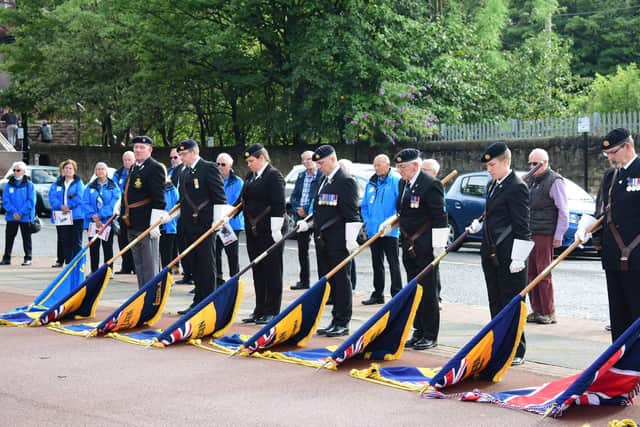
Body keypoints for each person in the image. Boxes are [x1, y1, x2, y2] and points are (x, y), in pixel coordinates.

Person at [467, 142, 532, 366]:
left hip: (509, 255)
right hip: (491, 252)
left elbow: (522, 225)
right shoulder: (493, 184)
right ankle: (499, 342)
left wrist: (519, 257)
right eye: (487, 166)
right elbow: (494, 214)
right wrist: (479, 224)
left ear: (505, 162)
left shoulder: (517, 186)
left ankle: (517, 349)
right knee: (495, 301)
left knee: (512, 302)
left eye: (492, 164)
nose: (489, 169)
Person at [379, 149, 447, 351]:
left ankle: (430, 334)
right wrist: (391, 224)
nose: (400, 171)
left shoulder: (431, 184)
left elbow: (439, 217)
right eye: (398, 167)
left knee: (428, 291)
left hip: (425, 245)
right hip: (408, 244)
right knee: (413, 290)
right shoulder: (404, 183)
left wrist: (439, 246)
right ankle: (418, 330)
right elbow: (403, 212)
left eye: (403, 167)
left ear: (415, 166)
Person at [576, 128, 640, 342]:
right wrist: (590, 228)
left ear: (628, 146)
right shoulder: (611, 176)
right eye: (607, 154)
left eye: (613, 152)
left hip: (637, 256)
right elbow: (604, 211)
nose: (610, 158)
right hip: (613, 256)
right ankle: (620, 365)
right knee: (618, 315)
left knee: (636, 313)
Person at [298, 145, 361, 337]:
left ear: (333, 159)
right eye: (317, 163)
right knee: (330, 282)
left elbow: (352, 214)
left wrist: (351, 240)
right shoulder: (324, 180)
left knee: (342, 282)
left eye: (322, 163)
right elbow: (320, 210)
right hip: (323, 240)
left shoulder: (346, 181)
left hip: (338, 242)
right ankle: (335, 319)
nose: (319, 167)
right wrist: (308, 223)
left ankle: (343, 321)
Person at [174, 139, 227, 313]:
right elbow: (182, 200)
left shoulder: (208, 168)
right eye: (180, 154)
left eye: (184, 154)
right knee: (193, 263)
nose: (182, 157)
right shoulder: (184, 172)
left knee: (206, 264)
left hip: (205, 224)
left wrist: (216, 222)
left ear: (194, 152)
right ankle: (198, 300)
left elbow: (219, 197)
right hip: (189, 224)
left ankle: (209, 302)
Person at [240, 143, 286, 325]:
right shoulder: (250, 176)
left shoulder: (273, 176)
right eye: (247, 161)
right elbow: (243, 199)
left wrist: (277, 228)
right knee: (257, 270)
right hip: (253, 230)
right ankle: (259, 309)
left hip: (269, 229)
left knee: (272, 270)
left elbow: (279, 204)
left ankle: (272, 310)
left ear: (262, 158)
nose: (249, 164)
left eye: (251, 160)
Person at [525, 148, 569, 325]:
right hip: (530, 231)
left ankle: (549, 311)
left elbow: (563, 211)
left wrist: (558, 235)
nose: (533, 167)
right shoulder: (531, 181)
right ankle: (537, 310)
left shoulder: (555, 181)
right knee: (530, 273)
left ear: (546, 163)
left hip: (545, 233)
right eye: (531, 163)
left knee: (543, 273)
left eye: (537, 164)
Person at [120, 135, 167, 289]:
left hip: (146, 223)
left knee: (149, 265)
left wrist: (154, 223)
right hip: (132, 221)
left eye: (142, 147)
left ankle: (152, 294)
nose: (138, 150)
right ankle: (142, 293)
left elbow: (159, 198)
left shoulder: (155, 168)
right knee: (139, 264)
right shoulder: (134, 167)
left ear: (150, 150)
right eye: (136, 148)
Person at [361, 154, 402, 305]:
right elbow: (364, 205)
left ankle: (396, 294)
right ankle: (378, 294)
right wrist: (368, 221)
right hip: (374, 230)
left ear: (387, 164)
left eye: (379, 165)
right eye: (375, 165)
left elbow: (400, 207)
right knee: (376, 264)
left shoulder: (396, 181)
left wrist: (391, 224)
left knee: (393, 263)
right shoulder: (371, 183)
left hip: (390, 230)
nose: (376, 168)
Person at [289, 150, 321, 290]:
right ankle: (304, 281)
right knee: (302, 250)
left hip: (315, 216)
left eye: (309, 159)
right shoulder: (301, 176)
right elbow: (294, 196)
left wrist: (307, 210)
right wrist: (298, 209)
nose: (307, 162)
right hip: (301, 217)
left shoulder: (320, 176)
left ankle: (322, 282)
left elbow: (317, 197)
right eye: (304, 160)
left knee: (321, 250)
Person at [82, 162, 121, 272]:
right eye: (98, 169)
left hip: (107, 221)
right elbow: (85, 202)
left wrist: (100, 215)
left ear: (106, 172)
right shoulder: (90, 186)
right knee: (94, 247)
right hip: (92, 222)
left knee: (107, 247)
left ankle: (108, 270)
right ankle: (94, 271)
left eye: (102, 169)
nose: (100, 171)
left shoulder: (113, 187)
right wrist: (93, 216)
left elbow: (114, 203)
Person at [48, 159, 85, 265]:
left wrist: (69, 206)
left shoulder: (79, 183)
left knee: (76, 242)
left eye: (70, 168)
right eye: (66, 168)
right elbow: (52, 197)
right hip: (62, 216)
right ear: (63, 170)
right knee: (65, 241)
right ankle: (69, 263)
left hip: (76, 216)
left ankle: (77, 264)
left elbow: (80, 197)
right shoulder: (57, 183)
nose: (68, 170)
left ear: (74, 170)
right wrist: (60, 206)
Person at [215, 153, 244, 286]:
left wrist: (225, 215)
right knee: (215, 252)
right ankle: (218, 279)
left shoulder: (237, 182)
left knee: (232, 254)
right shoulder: (214, 179)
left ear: (230, 165)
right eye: (218, 164)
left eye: (223, 164)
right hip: (217, 222)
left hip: (231, 223)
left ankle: (234, 280)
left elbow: (237, 202)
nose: (220, 167)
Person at [1, 161, 36, 266]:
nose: (16, 172)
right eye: (14, 170)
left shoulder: (30, 185)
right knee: (9, 237)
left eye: (18, 170)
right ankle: (6, 258)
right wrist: (13, 212)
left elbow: (31, 201)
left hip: (25, 217)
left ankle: (28, 258)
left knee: (26, 238)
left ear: (24, 172)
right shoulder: (9, 184)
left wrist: (20, 212)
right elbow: (5, 200)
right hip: (12, 217)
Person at [421, 158, 443, 308]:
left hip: (432, 235)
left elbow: (440, 216)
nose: (422, 173)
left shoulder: (435, 186)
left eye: (425, 170)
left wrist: (439, 242)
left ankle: (436, 297)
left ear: (434, 172)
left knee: (434, 271)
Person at [168, 147, 193, 284]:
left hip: (191, 213)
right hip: (178, 213)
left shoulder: (194, 170)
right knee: (182, 244)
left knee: (191, 245)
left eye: (176, 157)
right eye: (171, 158)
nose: (174, 160)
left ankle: (195, 275)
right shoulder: (176, 171)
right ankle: (187, 273)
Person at [113, 151, 136, 275]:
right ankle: (126, 266)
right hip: (122, 210)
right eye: (125, 160)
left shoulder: (137, 172)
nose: (127, 162)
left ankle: (136, 266)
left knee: (134, 239)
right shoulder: (118, 174)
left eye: (129, 160)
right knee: (122, 239)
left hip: (134, 210)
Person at [338, 158, 358, 291]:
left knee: (349, 259)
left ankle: (352, 284)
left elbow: (352, 209)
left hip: (347, 226)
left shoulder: (349, 182)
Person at [159, 164, 179, 270]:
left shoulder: (172, 189)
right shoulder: (153, 187)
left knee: (167, 255)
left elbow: (177, 206)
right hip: (154, 225)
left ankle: (167, 277)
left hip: (168, 226)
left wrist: (169, 218)